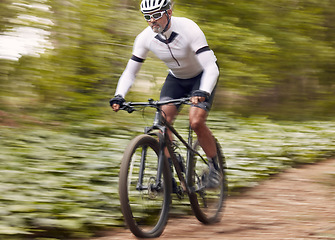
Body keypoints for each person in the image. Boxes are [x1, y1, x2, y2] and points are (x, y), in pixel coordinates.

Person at [110, 0, 220, 188]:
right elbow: (130, 71)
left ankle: (214, 168)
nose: (152, 21)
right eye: (147, 17)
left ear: (169, 12)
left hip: (201, 76)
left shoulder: (188, 28)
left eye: (156, 15)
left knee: (196, 121)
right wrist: (119, 95)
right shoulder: (144, 38)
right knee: (162, 120)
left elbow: (211, 67)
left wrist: (204, 91)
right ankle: (170, 170)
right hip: (176, 79)